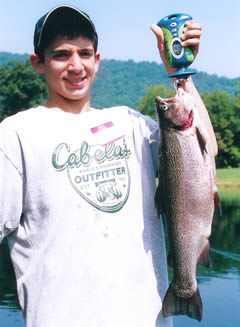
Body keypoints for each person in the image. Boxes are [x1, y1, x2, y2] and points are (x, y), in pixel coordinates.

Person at [0, 5, 217, 327]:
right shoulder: (15, 134)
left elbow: (203, 149)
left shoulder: (129, 122)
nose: (76, 65)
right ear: (38, 63)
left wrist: (180, 72)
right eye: (61, 54)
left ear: (97, 60)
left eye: (85, 53)